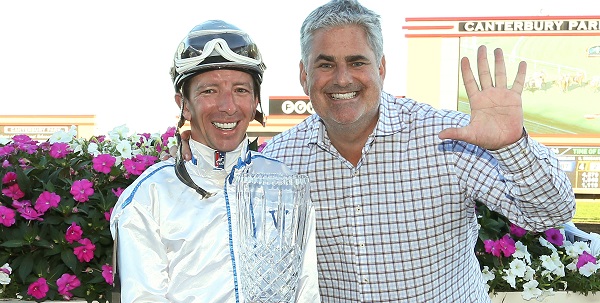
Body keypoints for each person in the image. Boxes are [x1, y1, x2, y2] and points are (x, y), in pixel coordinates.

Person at [177, 1, 576, 302]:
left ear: (381, 68)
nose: (343, 79)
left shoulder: (447, 139)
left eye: (356, 62)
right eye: (326, 64)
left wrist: (512, 146)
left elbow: (551, 213)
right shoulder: (279, 162)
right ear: (304, 75)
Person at [110, 20, 320, 303]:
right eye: (209, 91)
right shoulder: (149, 196)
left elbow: (306, 291)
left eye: (241, 90)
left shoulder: (284, 183)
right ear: (184, 104)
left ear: (256, 101)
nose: (228, 106)